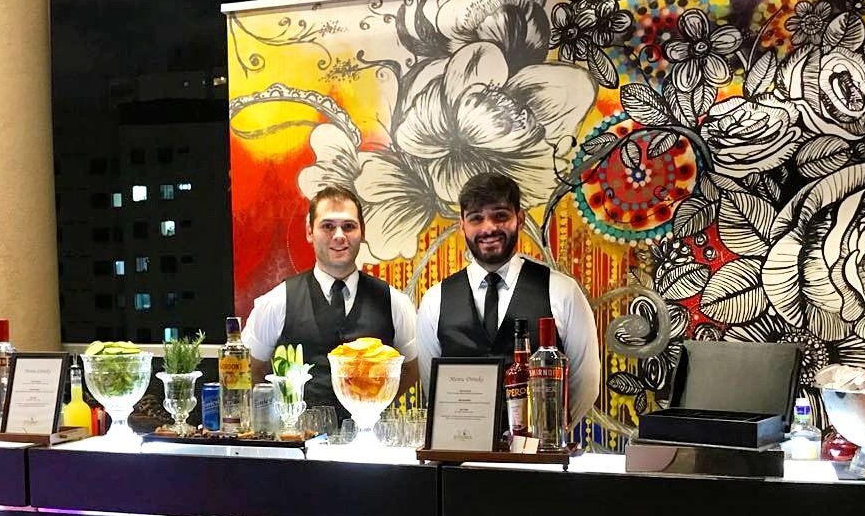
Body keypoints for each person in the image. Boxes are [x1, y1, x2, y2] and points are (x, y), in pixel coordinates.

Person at [416, 172, 600, 427]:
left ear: (519, 219)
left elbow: (585, 384)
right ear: (462, 225)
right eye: (476, 218)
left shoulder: (562, 291)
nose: (488, 228)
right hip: (459, 446)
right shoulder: (435, 299)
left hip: (537, 450)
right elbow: (432, 385)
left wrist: (549, 432)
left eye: (500, 215)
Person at [242, 185, 418, 416]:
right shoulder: (277, 302)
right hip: (300, 436)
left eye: (348, 226)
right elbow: (251, 369)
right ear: (309, 232)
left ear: (362, 232)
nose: (339, 236)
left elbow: (412, 370)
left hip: (370, 436)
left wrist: (374, 407)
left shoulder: (394, 302)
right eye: (327, 226)